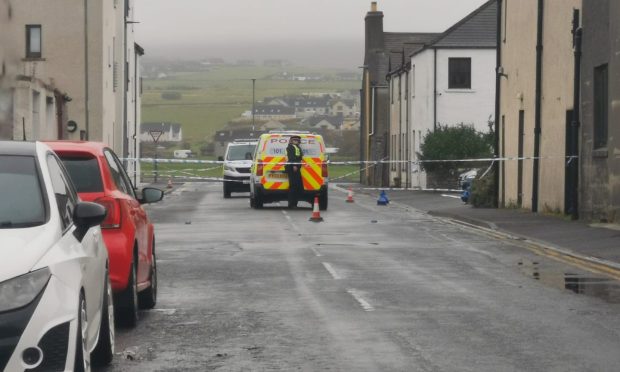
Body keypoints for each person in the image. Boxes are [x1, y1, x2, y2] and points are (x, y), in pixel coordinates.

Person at [286, 135, 304, 208]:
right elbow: (291, 157)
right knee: (293, 186)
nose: (296, 141)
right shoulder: (290, 147)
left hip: (297, 167)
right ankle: (291, 204)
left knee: (297, 186)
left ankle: (294, 203)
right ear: (291, 141)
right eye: (294, 140)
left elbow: (299, 157)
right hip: (293, 168)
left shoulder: (297, 147)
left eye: (297, 140)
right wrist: (294, 165)